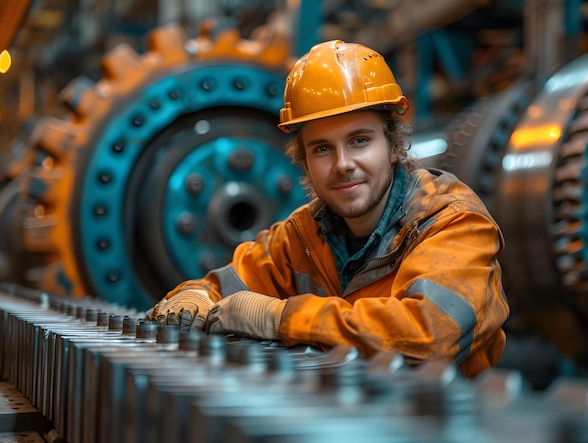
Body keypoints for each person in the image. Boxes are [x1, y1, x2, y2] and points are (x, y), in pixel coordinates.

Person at [148, 39, 510, 378]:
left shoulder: (453, 223)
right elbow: (221, 286)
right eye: (322, 148)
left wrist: (282, 318)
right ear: (303, 161)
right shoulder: (302, 237)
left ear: (393, 144)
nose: (343, 164)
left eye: (360, 141)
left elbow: (430, 334)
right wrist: (195, 296)